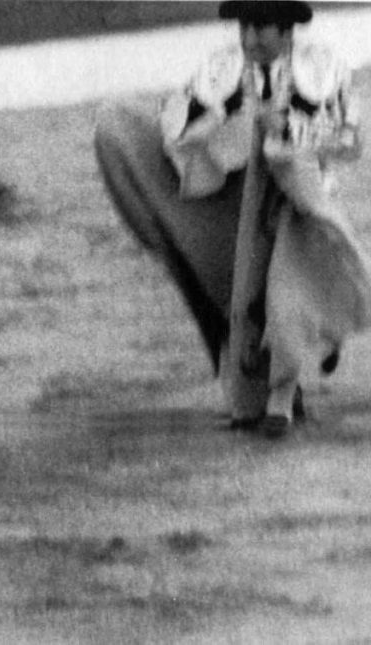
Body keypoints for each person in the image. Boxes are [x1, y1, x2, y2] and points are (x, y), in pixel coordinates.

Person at [94, 0, 371, 437]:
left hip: (296, 201)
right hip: (232, 200)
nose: (250, 39)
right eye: (245, 26)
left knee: (285, 290)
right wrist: (232, 121)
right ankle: (280, 384)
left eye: (261, 27)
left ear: (287, 30)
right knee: (242, 299)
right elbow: (176, 128)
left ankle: (290, 381)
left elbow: (349, 141)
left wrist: (289, 130)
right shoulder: (222, 68)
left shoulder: (323, 67)